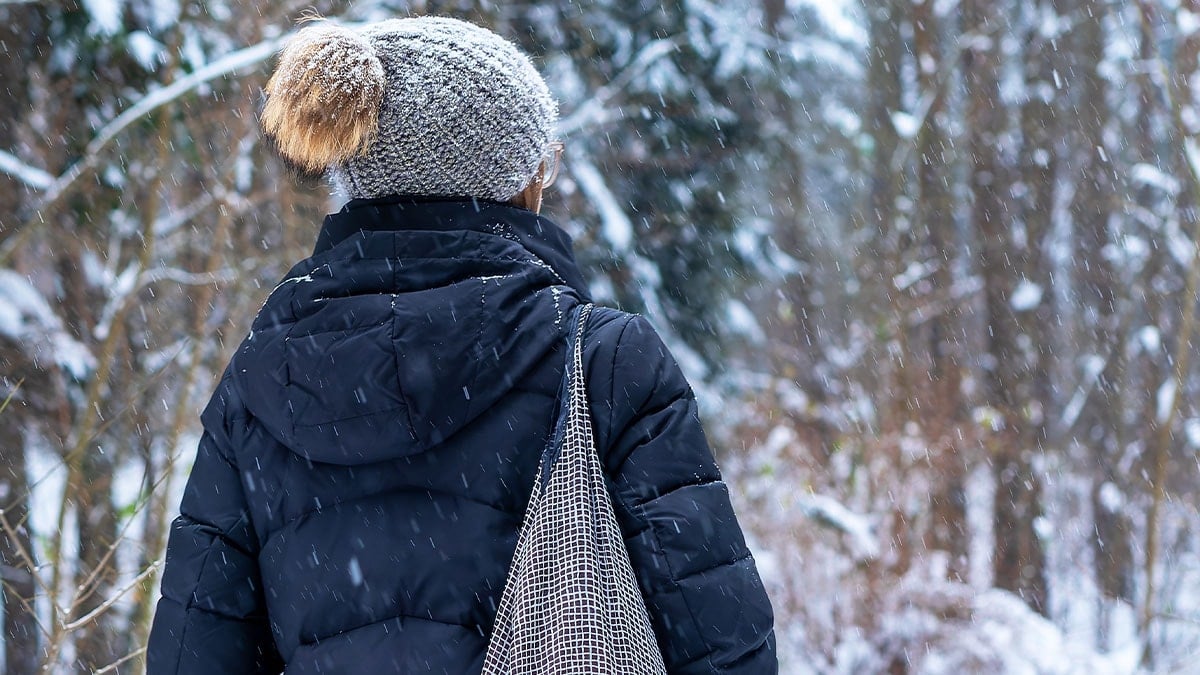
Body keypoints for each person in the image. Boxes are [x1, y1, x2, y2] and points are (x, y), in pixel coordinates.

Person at [147, 16, 776, 674]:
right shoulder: (603, 361)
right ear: (512, 176)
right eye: (544, 158)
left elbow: (193, 654)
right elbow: (722, 640)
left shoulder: (262, 379)